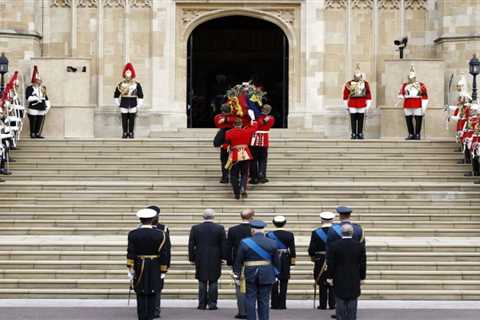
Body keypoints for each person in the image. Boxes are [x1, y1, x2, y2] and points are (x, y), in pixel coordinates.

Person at [127, 207, 170, 320]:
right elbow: (164, 254)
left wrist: (130, 268)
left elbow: (130, 253)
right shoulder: (161, 234)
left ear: (140, 220)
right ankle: (151, 316)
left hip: (139, 265)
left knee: (140, 292)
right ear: (153, 219)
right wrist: (163, 270)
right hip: (154, 266)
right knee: (153, 291)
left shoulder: (133, 234)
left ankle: (141, 316)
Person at [234, 220, 280, 320]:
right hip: (267, 273)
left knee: (250, 299)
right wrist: (276, 274)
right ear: (263, 230)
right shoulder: (272, 242)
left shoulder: (245, 242)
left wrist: (237, 274)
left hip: (250, 273)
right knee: (264, 300)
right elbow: (276, 261)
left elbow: (238, 260)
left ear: (252, 230)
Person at [326, 224, 367, 320]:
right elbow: (363, 263)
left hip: (338, 277)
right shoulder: (359, 246)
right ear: (352, 233)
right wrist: (362, 277)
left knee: (340, 304)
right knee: (353, 303)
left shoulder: (334, 246)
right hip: (354, 277)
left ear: (341, 233)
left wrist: (330, 277)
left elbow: (331, 263)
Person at [188, 209, 226, 310]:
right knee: (214, 280)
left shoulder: (195, 228)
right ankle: (212, 304)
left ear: (203, 216)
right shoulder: (220, 228)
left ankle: (202, 304)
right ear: (213, 216)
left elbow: (191, 244)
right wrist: (223, 257)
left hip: (200, 256)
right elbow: (223, 244)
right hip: (215, 256)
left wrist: (192, 258)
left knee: (202, 280)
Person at [225, 209, 256, 319]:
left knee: (239, 288)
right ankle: (251, 311)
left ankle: (242, 311)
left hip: (238, 262)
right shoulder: (255, 229)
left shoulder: (233, 230)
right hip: (253, 262)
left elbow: (229, 247)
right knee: (252, 288)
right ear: (251, 217)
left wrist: (230, 261)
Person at [266, 215, 296, 310]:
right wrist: (292, 263)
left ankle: (274, 304)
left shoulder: (268, 234)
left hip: (272, 258)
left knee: (273, 281)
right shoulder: (289, 234)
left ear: (274, 223)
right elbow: (293, 250)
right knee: (284, 281)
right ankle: (282, 304)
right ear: (285, 223)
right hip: (285, 258)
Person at [225, 118, 259, 199]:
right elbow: (255, 128)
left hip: (235, 154)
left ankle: (236, 193)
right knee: (244, 173)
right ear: (241, 124)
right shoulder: (247, 131)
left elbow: (227, 142)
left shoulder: (228, 133)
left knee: (233, 174)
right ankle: (243, 187)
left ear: (233, 124)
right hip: (245, 153)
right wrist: (253, 121)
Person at [308, 211, 336, 310]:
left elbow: (311, 249)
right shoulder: (337, 232)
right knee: (333, 282)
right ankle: (333, 304)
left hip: (320, 260)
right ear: (332, 220)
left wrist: (313, 257)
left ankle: (323, 304)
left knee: (321, 282)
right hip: (334, 260)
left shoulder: (316, 232)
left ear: (321, 220)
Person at [148, 205, 171, 319]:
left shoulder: (164, 228)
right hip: (148, 262)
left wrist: (166, 265)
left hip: (157, 262)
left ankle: (155, 310)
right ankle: (149, 309)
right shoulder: (139, 229)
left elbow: (167, 249)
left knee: (157, 287)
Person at [398, 65, 428, 140]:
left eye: (412, 78)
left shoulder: (420, 84)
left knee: (418, 119)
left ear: (415, 77)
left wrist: (424, 106)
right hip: (407, 103)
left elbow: (424, 93)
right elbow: (400, 93)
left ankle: (417, 134)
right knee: (408, 118)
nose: (411, 79)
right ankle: (411, 133)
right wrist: (401, 95)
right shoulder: (404, 85)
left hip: (417, 102)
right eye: (409, 78)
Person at [114, 62, 144, 139]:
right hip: (124, 102)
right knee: (124, 119)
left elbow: (140, 95)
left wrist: (139, 105)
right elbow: (116, 95)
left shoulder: (137, 84)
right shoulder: (120, 84)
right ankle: (124, 132)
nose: (128, 75)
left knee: (131, 119)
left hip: (133, 103)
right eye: (126, 72)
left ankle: (131, 132)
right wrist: (118, 103)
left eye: (129, 72)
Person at [342, 64, 372, 140]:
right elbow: (345, 94)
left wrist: (368, 104)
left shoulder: (365, 83)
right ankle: (353, 133)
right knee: (353, 119)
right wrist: (346, 104)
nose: (357, 77)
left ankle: (360, 133)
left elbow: (368, 93)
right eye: (356, 76)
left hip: (361, 103)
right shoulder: (349, 83)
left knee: (361, 118)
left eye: (359, 76)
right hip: (352, 103)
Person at [250, 104, 275, 184]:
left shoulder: (257, 117)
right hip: (264, 141)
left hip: (254, 141)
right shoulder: (271, 118)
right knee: (263, 160)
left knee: (253, 160)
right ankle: (262, 175)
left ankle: (254, 177)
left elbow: (255, 125)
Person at [25, 65, 50, 139]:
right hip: (33, 107)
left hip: (41, 107)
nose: (38, 83)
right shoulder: (29, 88)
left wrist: (47, 106)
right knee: (33, 120)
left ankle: (37, 133)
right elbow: (28, 98)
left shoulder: (42, 88)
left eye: (39, 81)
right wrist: (36, 98)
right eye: (36, 81)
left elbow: (46, 97)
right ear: (33, 81)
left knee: (39, 120)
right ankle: (32, 133)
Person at [214, 104, 236, 183]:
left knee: (232, 159)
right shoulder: (218, 117)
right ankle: (225, 176)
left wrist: (226, 120)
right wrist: (228, 119)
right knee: (224, 160)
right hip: (225, 141)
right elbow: (218, 122)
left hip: (233, 141)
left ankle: (229, 176)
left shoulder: (233, 117)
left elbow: (238, 121)